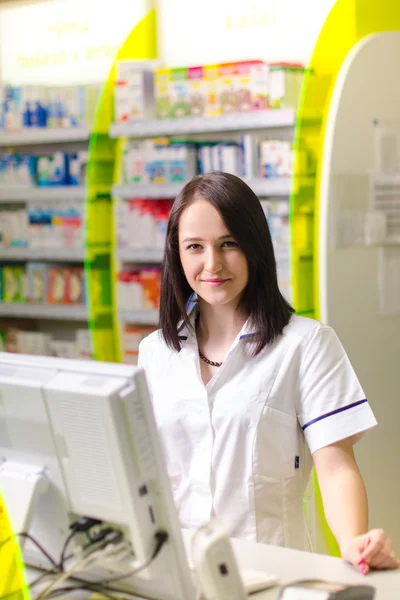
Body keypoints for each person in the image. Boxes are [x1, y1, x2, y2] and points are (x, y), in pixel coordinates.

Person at [138, 171, 398, 574]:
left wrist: (353, 542)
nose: (213, 264)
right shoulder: (155, 353)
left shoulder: (306, 345)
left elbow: (335, 467)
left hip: (274, 577)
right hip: (179, 573)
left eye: (229, 244)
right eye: (195, 247)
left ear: (255, 247)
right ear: (177, 254)